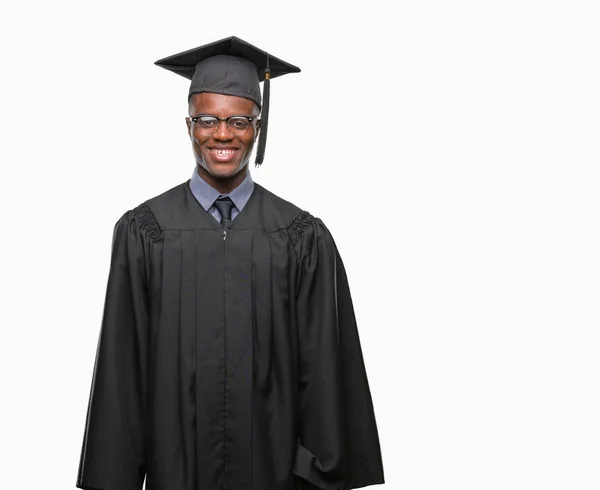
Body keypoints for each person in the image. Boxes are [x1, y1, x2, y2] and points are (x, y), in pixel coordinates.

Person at [76, 36, 384, 490]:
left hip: (275, 477)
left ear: (257, 127)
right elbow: (123, 374)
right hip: (173, 475)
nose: (223, 134)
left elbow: (323, 376)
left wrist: (312, 476)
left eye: (239, 120)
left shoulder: (300, 237)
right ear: (188, 125)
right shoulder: (145, 232)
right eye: (208, 120)